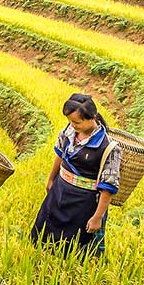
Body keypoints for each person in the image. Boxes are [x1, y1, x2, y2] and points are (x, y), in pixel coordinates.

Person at [31, 93, 121, 257]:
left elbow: (108, 187)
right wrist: (51, 179)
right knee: (44, 238)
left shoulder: (108, 148)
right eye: (70, 121)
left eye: (77, 122)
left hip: (83, 203)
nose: (73, 125)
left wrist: (97, 217)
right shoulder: (68, 132)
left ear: (92, 117)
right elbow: (60, 155)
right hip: (58, 193)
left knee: (74, 249)